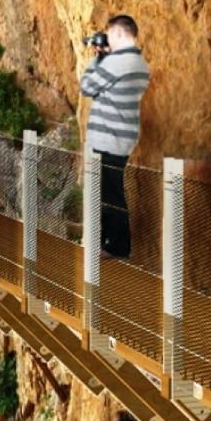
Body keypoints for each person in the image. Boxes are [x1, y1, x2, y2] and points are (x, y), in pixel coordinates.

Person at [79, 15, 150, 260]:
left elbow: (87, 86)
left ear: (119, 34)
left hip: (109, 137)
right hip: (121, 135)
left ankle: (115, 246)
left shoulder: (118, 63)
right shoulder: (139, 62)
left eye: (109, 35)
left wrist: (98, 57)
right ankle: (108, 242)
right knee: (109, 189)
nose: (106, 40)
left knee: (109, 192)